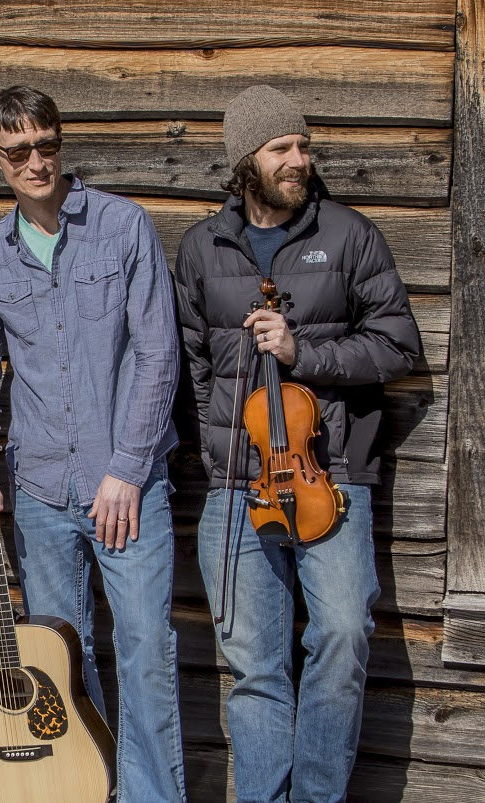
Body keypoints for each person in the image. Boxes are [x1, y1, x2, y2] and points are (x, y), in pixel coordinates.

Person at [174, 84, 421, 802]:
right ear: (244, 160)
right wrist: (218, 454)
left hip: (328, 477)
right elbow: (192, 366)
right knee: (253, 665)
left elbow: (397, 345)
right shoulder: (202, 247)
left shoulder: (348, 236)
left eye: (303, 146)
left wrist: (301, 353)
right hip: (236, 486)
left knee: (341, 638)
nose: (298, 160)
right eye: (280, 147)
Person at [0, 86, 186, 802]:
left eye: (46, 145)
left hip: (127, 488)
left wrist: (127, 469)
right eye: (18, 151)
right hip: (41, 493)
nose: (36, 162)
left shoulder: (122, 226)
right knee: (60, 665)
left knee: (145, 657)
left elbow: (158, 355)